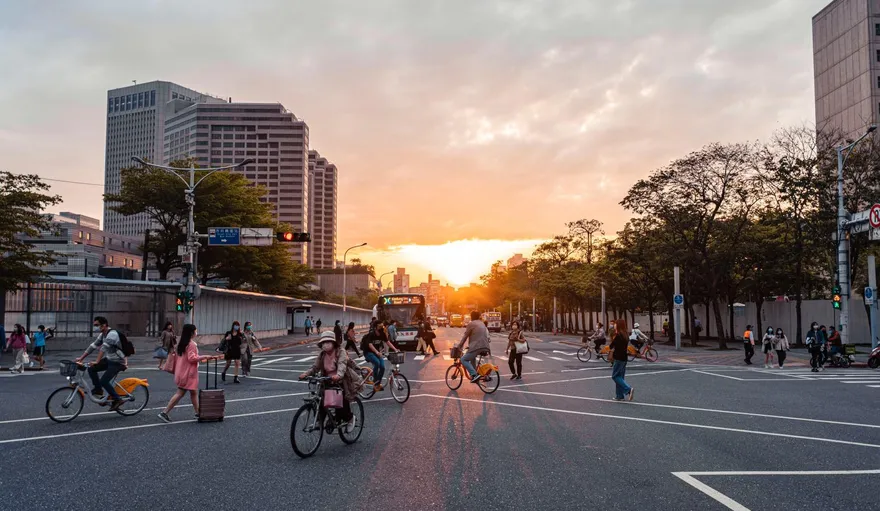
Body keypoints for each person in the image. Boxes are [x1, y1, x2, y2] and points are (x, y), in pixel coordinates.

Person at [299, 332, 364, 433]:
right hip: (326, 380)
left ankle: (350, 419)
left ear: (333, 343)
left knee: (341, 404)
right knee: (321, 400)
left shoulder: (340, 352)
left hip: (341, 380)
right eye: (324, 342)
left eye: (328, 342)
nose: (326, 344)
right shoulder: (322, 355)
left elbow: (342, 364)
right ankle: (319, 421)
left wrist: (338, 375)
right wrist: (306, 374)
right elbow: (315, 367)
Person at [158, 324, 209, 423]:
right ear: (192, 333)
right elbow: (192, 358)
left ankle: (198, 413)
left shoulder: (181, 344)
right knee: (181, 393)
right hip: (188, 374)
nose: (196, 332)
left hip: (181, 372)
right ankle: (165, 412)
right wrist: (204, 357)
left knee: (193, 392)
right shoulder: (192, 344)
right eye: (195, 331)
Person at [75, 317, 128, 411]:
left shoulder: (112, 334)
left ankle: (117, 399)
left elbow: (103, 348)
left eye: (97, 325)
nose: (95, 327)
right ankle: (98, 389)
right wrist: (81, 358)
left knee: (104, 381)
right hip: (109, 359)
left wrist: (97, 361)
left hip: (118, 362)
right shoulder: (102, 334)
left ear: (104, 325)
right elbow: (93, 346)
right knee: (91, 368)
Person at [361, 322, 400, 391]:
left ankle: (378, 383)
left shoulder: (382, 334)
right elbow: (370, 345)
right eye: (379, 327)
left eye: (382, 326)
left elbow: (388, 342)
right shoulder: (371, 334)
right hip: (368, 352)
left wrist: (395, 349)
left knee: (382, 367)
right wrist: (377, 352)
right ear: (375, 328)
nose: (381, 328)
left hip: (377, 353)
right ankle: (375, 382)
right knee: (377, 363)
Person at [455, 311, 491, 383]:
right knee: (472, 358)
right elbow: (477, 336)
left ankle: (474, 375)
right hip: (485, 346)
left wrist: (459, 346)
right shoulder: (482, 323)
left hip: (477, 346)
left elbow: (465, 336)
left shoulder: (471, 324)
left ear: (471, 317)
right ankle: (477, 375)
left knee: (463, 359)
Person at [610, 319, 634, 401]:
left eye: (615, 324)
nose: (614, 325)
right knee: (620, 377)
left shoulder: (618, 335)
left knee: (615, 376)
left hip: (618, 358)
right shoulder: (625, 335)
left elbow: (611, 345)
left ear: (618, 325)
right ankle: (619, 395)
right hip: (624, 358)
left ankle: (628, 389)